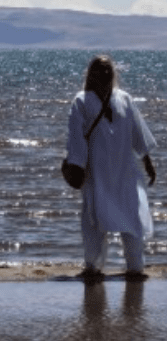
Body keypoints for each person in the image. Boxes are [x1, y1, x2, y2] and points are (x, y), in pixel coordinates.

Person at [65, 55, 156, 280]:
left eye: (107, 70)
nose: (104, 74)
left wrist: (147, 161)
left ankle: (133, 267)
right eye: (100, 70)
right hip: (98, 172)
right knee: (98, 218)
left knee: (128, 218)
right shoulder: (82, 101)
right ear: (91, 74)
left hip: (122, 171)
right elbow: (76, 138)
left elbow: (138, 134)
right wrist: (78, 165)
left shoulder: (123, 98)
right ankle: (97, 267)